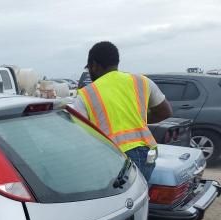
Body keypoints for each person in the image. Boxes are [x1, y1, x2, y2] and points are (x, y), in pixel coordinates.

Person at [72, 41, 172, 182]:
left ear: (94, 65)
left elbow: (79, 133)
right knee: (139, 196)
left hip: (115, 156)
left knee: (122, 201)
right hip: (147, 153)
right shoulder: (142, 81)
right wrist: (136, 120)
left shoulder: (87, 94)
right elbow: (165, 112)